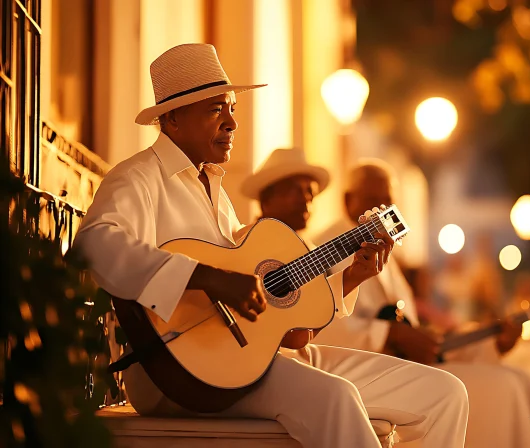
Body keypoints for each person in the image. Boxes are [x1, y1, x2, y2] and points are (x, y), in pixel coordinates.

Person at [71, 44, 468, 448]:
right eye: (214, 110)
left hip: (250, 358)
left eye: (231, 109)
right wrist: (210, 277)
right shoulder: (138, 177)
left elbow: (270, 300)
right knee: (336, 398)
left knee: (443, 394)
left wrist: (351, 278)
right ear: (172, 118)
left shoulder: (214, 191)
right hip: (171, 372)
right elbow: (95, 245)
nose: (231, 123)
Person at [311, 159, 530, 448]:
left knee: (522, 378)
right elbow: (321, 323)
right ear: (349, 201)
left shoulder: (386, 253)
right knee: (504, 386)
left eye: (389, 202)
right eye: (374, 201)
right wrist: (391, 334)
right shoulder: (325, 246)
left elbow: (413, 329)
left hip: (403, 368)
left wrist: (490, 342)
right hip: (365, 375)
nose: (383, 210)